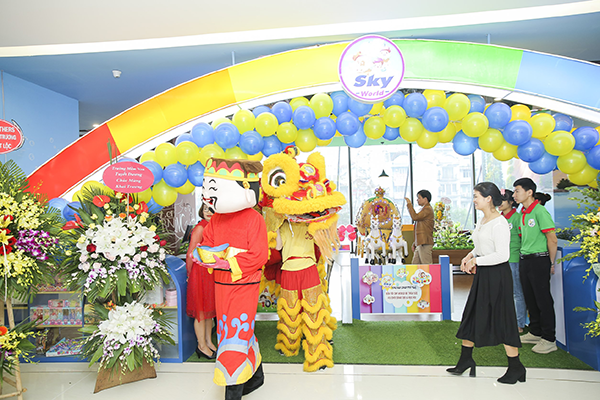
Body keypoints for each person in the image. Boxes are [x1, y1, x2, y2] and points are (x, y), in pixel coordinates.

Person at [194, 158, 269, 400]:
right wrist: (203, 255)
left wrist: (227, 262)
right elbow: (208, 243)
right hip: (221, 285)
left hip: (244, 284)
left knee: (233, 335)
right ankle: (256, 376)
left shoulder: (254, 219)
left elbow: (259, 255)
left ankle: (233, 392)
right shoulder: (216, 219)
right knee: (234, 331)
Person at [447, 182, 525, 384]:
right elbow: (481, 245)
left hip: (498, 275)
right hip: (484, 274)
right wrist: (470, 255)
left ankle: (516, 367)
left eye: (476, 196)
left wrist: (476, 261)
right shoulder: (483, 220)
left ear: (488, 198)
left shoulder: (500, 223)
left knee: (503, 319)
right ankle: (465, 360)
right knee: (472, 314)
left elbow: (502, 255)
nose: (474, 200)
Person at [513, 178, 558, 354]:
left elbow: (552, 239)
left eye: (517, 191)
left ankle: (549, 339)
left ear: (529, 192)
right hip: (525, 260)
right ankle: (535, 331)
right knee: (530, 298)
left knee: (543, 300)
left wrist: (550, 262)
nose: (514, 195)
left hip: (539, 260)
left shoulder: (540, 211)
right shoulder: (523, 213)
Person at [185, 203, 217, 359]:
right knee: (201, 312)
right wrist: (189, 273)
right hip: (199, 273)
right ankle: (201, 345)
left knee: (209, 312)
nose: (208, 212)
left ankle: (209, 342)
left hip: (211, 272)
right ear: (201, 211)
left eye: (211, 209)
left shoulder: (215, 227)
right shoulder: (200, 228)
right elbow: (190, 253)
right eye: (205, 209)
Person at [499, 189, 528, 333]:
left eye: (503, 200)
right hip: (500, 260)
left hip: (514, 260)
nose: (499, 203)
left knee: (517, 292)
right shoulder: (499, 218)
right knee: (504, 292)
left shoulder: (517, 218)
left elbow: (524, 239)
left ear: (511, 202)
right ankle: (505, 321)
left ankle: (519, 324)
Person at [405, 190, 434, 264]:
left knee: (426, 265)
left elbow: (415, 217)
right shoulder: (424, 209)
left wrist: (409, 204)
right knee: (415, 265)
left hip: (425, 242)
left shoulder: (427, 209)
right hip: (421, 242)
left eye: (419, 198)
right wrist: (415, 242)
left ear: (425, 199)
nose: (417, 200)